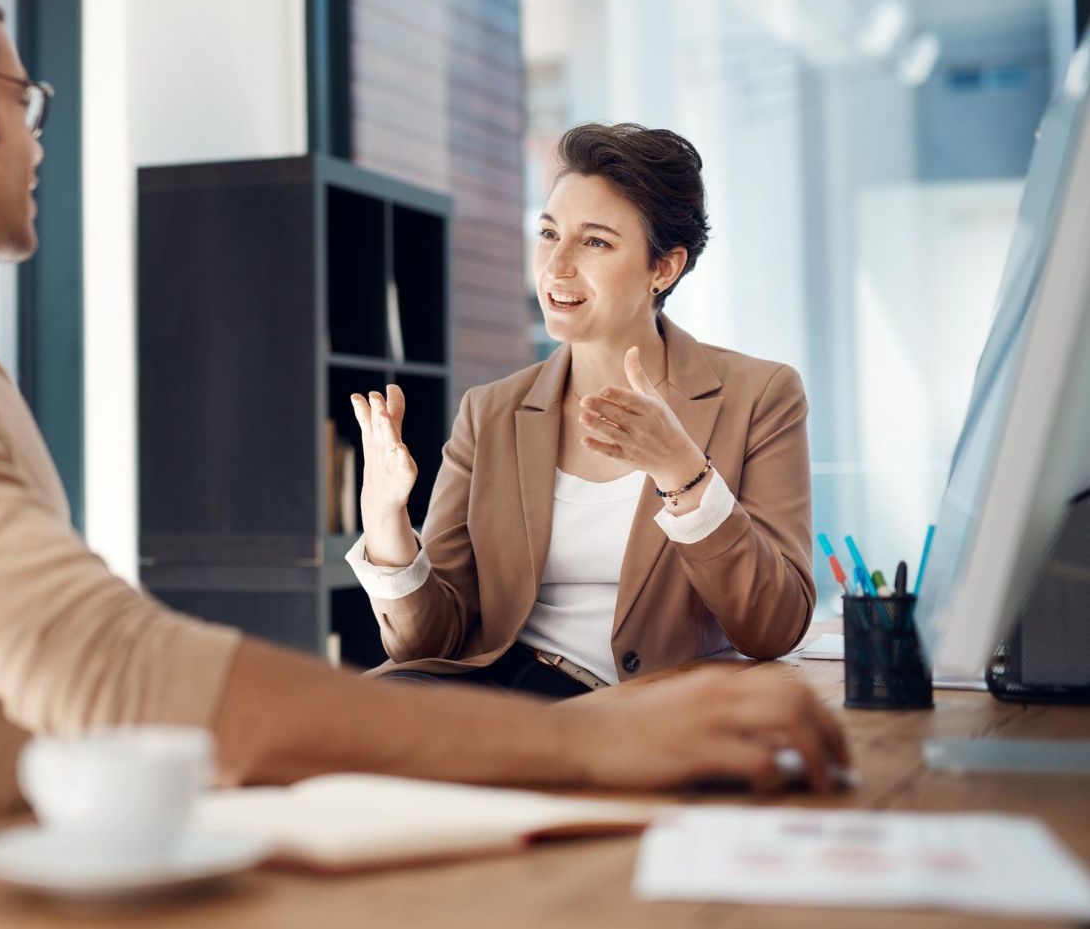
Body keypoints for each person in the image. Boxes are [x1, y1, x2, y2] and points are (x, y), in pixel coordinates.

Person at [0, 0, 847, 923]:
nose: (40, 138)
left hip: (84, 859)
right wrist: (598, 746)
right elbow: (115, 672)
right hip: (6, 898)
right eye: (23, 99)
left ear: (665, 265)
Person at [347, 122, 815, 698]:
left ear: (662, 268)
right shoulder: (489, 412)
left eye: (595, 241)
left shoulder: (760, 395)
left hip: (642, 710)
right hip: (499, 691)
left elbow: (776, 625)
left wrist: (683, 474)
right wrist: (385, 521)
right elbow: (431, 643)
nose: (556, 266)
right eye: (548, 234)